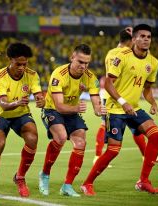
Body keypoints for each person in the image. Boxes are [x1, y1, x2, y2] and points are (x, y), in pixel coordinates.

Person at [81, 24, 158, 196]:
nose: (146, 39)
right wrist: (123, 102)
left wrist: (153, 102)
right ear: (134, 39)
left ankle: (143, 181)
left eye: (149, 37)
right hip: (115, 108)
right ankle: (87, 183)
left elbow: (147, 89)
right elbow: (108, 83)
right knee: (113, 150)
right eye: (142, 36)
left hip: (134, 108)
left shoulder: (153, 62)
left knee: (156, 135)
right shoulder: (120, 56)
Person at [0, 42, 45, 202]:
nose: (22, 67)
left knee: (33, 138)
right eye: (18, 64)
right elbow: (3, 104)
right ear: (10, 60)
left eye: (25, 64)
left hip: (21, 114)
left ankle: (20, 177)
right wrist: (16, 103)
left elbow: (38, 93)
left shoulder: (32, 75)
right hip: (1, 114)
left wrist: (40, 100)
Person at [38, 44, 105, 197]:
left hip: (72, 112)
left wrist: (98, 109)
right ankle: (45, 174)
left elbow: (95, 100)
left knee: (81, 142)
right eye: (80, 62)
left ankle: (67, 186)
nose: (83, 66)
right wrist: (76, 109)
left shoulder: (91, 77)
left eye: (87, 63)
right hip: (52, 110)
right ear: (72, 57)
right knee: (61, 137)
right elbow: (59, 106)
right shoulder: (59, 74)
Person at [94, 28, 158, 166]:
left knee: (137, 129)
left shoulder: (117, 53)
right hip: (113, 96)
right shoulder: (117, 54)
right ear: (131, 41)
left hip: (127, 99)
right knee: (105, 125)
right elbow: (111, 78)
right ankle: (97, 155)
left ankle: (146, 155)